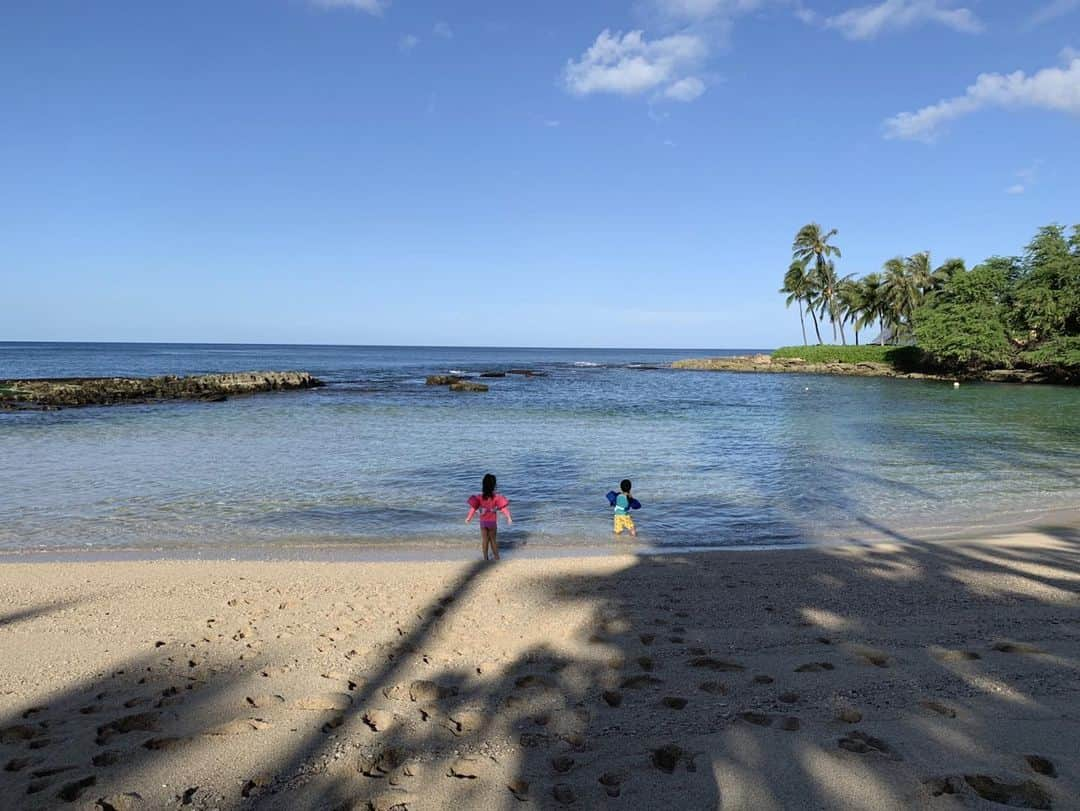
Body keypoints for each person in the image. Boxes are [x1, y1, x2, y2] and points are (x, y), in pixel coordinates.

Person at [466, 473, 512, 561]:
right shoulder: (496, 497)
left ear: (483, 484)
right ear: (494, 485)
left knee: (485, 540)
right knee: (493, 540)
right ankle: (497, 558)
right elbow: (503, 508)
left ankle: (485, 558)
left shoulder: (479, 497)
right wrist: (508, 517)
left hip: (483, 522)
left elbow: (473, 508)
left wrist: (469, 518)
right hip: (492, 522)